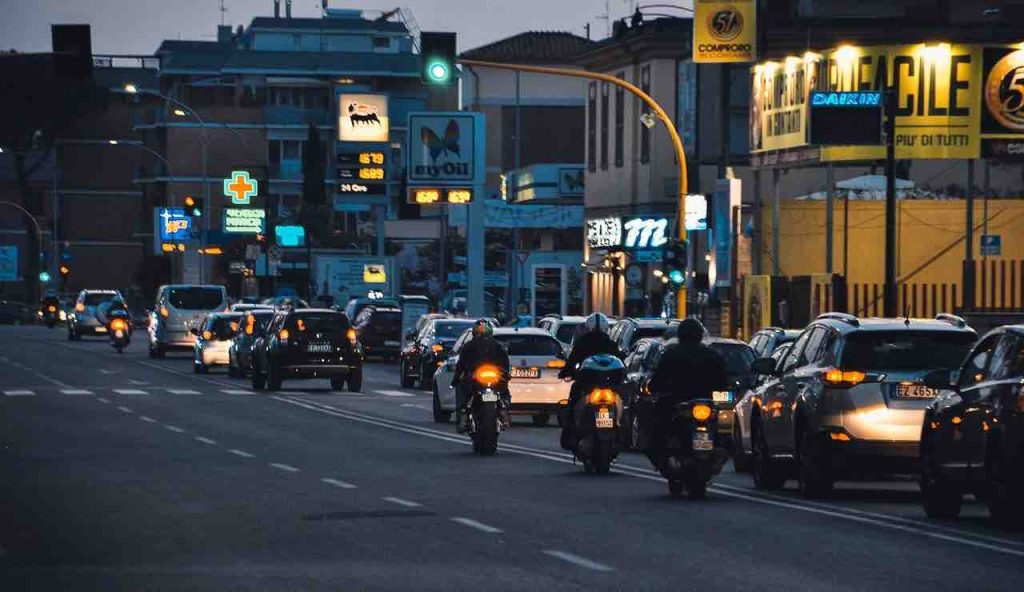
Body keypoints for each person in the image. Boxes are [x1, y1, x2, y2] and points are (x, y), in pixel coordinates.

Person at [641, 317, 728, 458]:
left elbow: (657, 380)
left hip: (680, 403)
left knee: (657, 426)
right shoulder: (713, 356)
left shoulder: (671, 355)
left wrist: (653, 388)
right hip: (696, 405)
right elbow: (724, 383)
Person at [558, 312, 622, 448]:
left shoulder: (583, 343)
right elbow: (621, 362)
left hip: (589, 387)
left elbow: (572, 361)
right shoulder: (611, 344)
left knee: (572, 402)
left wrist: (564, 373)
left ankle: (569, 435)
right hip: (606, 387)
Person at [452, 319, 510, 433]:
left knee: (462, 390)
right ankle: (504, 410)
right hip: (489, 377)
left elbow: (461, 365)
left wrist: (456, 379)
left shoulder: (469, 345)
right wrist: (505, 374)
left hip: (477, 377)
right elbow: (505, 363)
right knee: (504, 391)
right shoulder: (497, 345)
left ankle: (463, 415)